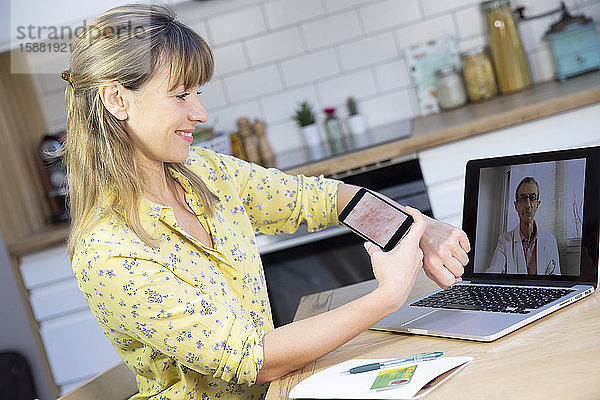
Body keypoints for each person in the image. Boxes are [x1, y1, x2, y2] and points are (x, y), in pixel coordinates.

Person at [62, 4, 470, 399]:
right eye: (180, 95)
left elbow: (323, 199)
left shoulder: (207, 172)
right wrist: (389, 295)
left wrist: (415, 227)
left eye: (197, 93)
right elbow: (253, 360)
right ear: (117, 100)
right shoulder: (109, 251)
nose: (200, 113)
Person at [487, 177, 560, 275]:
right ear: (516, 206)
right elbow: (491, 276)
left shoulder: (550, 240)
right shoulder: (504, 241)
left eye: (532, 198)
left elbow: (555, 280)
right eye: (523, 198)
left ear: (538, 204)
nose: (528, 205)